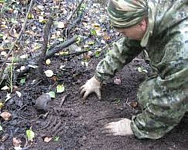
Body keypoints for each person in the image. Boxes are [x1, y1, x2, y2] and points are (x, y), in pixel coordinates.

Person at [80, 0, 188, 139]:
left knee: (147, 94)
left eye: (124, 32)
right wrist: (97, 78)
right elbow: (127, 45)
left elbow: (169, 100)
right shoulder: (148, 10)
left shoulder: (181, 49)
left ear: (142, 24)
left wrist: (137, 126)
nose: (123, 35)